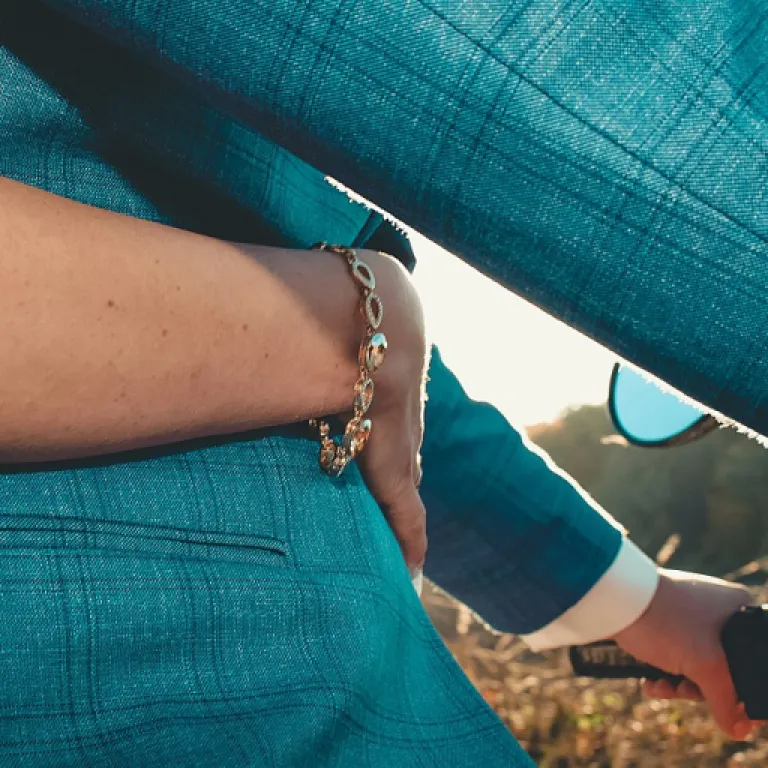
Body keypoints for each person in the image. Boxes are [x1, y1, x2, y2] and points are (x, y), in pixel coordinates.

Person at [0, 0, 761, 765]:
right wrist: (356, 321)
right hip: (182, 674)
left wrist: (644, 600)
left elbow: (395, 415)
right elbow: (367, 350)